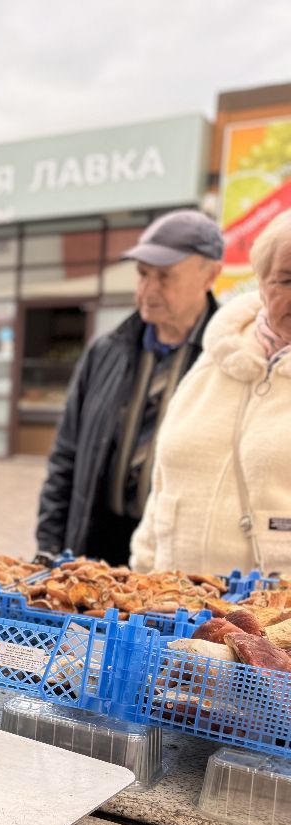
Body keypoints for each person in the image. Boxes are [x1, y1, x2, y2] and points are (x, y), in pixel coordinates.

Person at [35, 209, 223, 565]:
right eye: (142, 275)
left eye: (165, 276)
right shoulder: (106, 351)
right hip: (94, 545)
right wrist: (49, 546)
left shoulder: (228, 358)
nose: (148, 290)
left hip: (173, 557)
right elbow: (66, 457)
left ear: (210, 275)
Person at [130, 209, 291, 576]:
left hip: (274, 624)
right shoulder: (216, 359)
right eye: (287, 279)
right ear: (262, 283)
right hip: (172, 608)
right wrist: (140, 579)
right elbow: (164, 487)